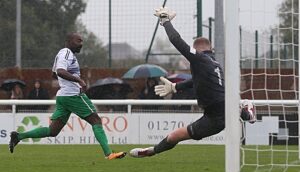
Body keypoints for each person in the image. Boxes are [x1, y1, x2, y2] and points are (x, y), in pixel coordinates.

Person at [129, 7, 255, 158]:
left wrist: (165, 22)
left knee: (175, 136)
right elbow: (196, 81)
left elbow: (176, 40)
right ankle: (243, 110)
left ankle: (151, 152)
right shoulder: (214, 64)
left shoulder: (199, 59)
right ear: (211, 49)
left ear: (196, 50)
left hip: (216, 116)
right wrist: (176, 86)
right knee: (177, 135)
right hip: (219, 110)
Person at [9, 33, 126, 160]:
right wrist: (78, 81)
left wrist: (67, 80)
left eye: (82, 41)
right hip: (73, 95)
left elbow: (55, 74)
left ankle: (18, 136)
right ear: (69, 41)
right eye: (78, 41)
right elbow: (60, 72)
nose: (81, 44)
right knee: (96, 120)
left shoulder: (63, 54)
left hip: (63, 97)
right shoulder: (66, 53)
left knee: (52, 131)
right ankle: (109, 154)